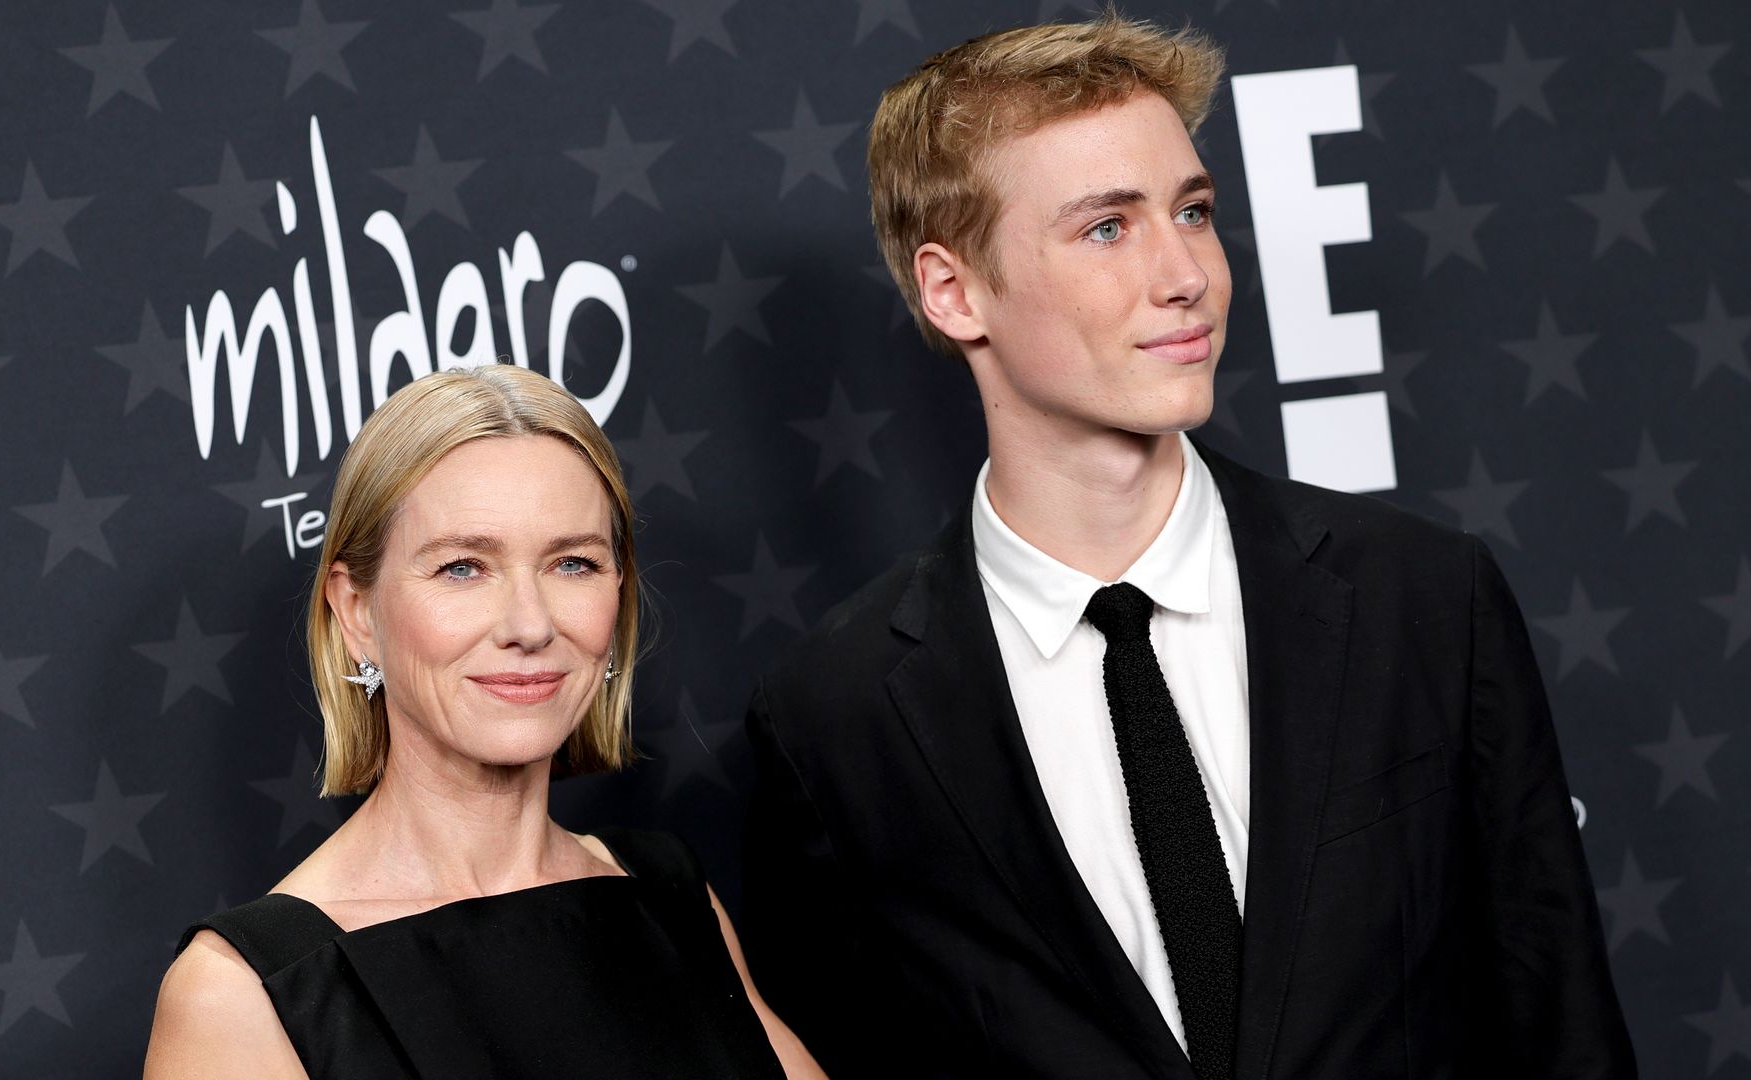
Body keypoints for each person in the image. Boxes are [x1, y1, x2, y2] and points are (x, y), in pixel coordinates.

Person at [740, 14, 1635, 1079]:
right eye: (1107, 228)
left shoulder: (1427, 602)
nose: (1187, 276)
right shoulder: (836, 718)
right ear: (953, 290)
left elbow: (1561, 1029)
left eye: (1194, 211)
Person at [145, 365, 822, 1078]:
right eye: (464, 568)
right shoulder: (242, 995)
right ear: (355, 612)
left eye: (573, 564)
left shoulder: (671, 897)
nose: (530, 625)